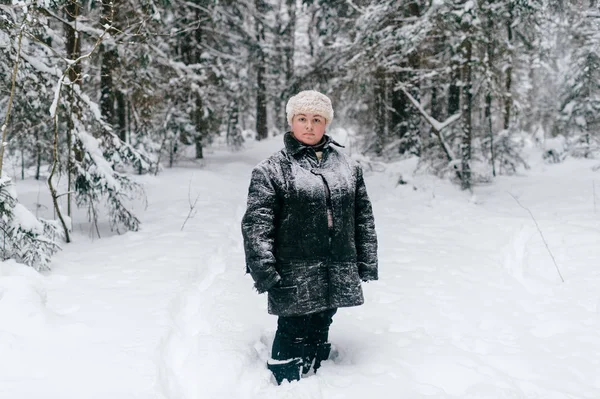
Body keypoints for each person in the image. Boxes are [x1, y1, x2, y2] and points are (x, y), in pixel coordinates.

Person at [241, 90, 378, 385]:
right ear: (292, 121)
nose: (309, 126)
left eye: (317, 119)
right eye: (302, 118)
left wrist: (366, 261)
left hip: (337, 264)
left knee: (324, 318)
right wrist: (263, 268)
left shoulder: (348, 167)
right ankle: (285, 381)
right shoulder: (271, 170)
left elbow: (362, 216)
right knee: (293, 325)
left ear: (326, 123)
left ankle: (316, 373)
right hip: (294, 267)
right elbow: (257, 223)